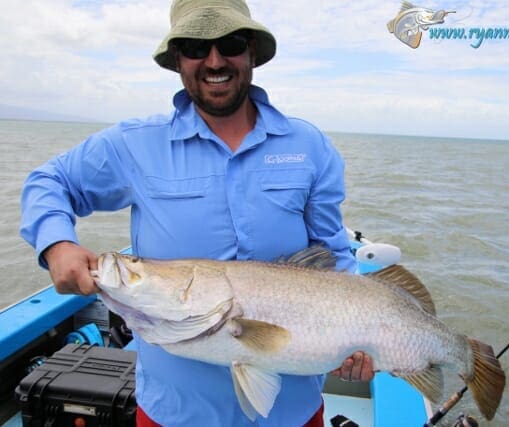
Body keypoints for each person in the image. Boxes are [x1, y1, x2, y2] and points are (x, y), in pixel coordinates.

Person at [19, 0, 374, 425]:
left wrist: (357, 341)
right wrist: (58, 245)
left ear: (252, 53)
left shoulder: (310, 146)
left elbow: (333, 254)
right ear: (176, 61)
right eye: (195, 47)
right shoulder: (134, 144)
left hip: (291, 413)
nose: (214, 60)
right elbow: (49, 182)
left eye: (230, 43)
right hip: (174, 413)